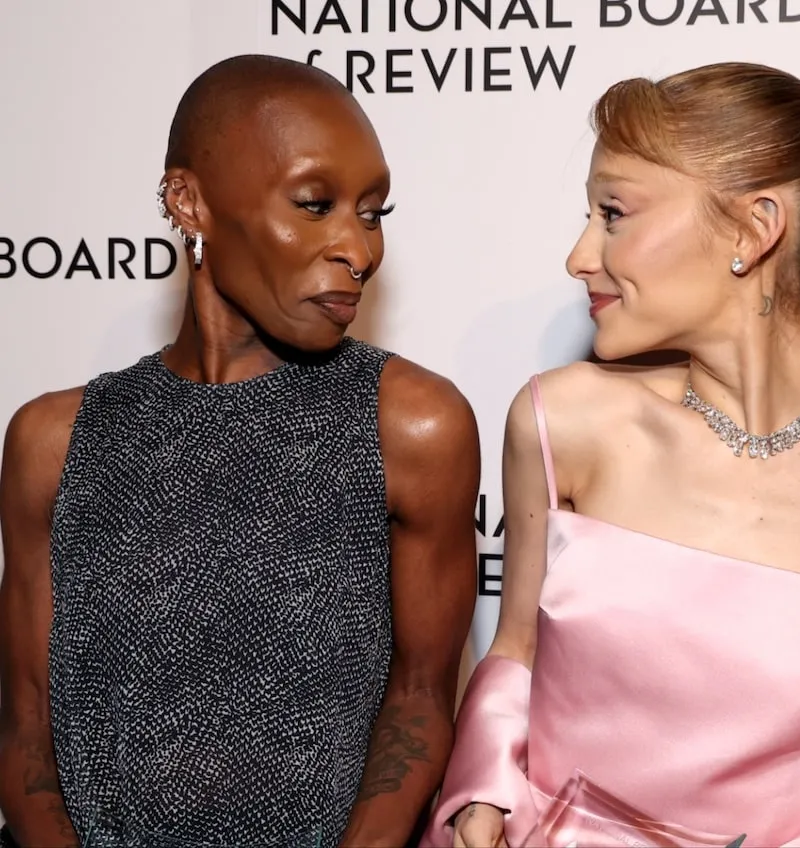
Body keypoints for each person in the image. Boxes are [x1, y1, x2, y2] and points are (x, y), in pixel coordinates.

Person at [422, 62, 800, 848]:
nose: (580, 255)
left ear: (752, 230)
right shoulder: (564, 422)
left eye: (613, 214)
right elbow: (514, 652)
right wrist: (479, 805)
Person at [0, 54, 479, 848]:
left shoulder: (413, 426)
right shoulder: (54, 441)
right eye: (315, 204)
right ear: (189, 202)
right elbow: (23, 720)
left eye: (372, 211)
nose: (358, 250)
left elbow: (422, 700)